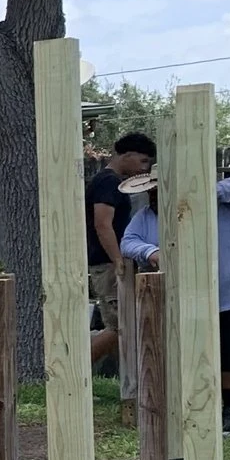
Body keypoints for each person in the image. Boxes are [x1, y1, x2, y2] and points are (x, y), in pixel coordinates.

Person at [123, 167, 230, 429]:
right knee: (183, 350)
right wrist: (151, 251)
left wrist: (200, 194)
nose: (155, 195)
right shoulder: (146, 217)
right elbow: (128, 241)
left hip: (227, 293)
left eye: (161, 189)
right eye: (153, 191)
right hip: (180, 297)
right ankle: (186, 403)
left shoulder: (221, 204)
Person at [89, 131, 158, 364]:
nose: (145, 168)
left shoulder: (112, 182)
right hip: (108, 264)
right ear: (126, 155)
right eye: (144, 161)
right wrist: (118, 261)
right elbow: (102, 224)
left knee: (126, 324)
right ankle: (75, 375)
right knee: (118, 325)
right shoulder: (108, 182)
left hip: (112, 263)